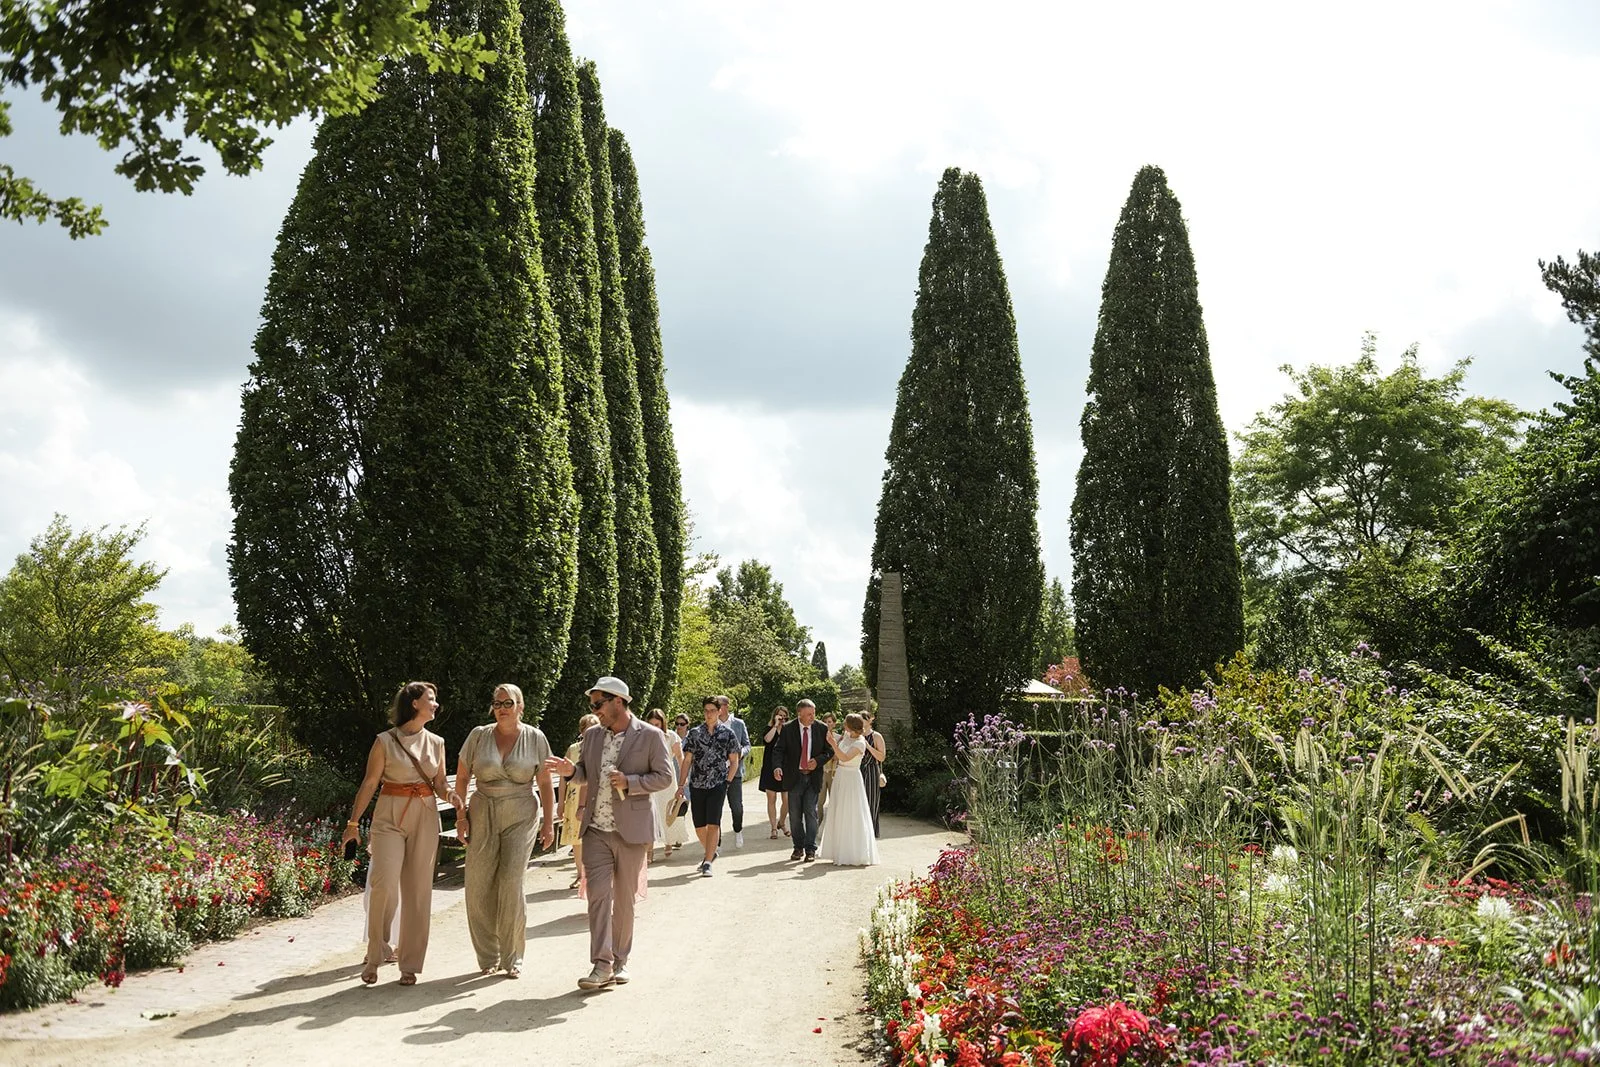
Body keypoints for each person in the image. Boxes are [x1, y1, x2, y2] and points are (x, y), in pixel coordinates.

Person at [543, 677, 673, 991]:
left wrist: (631, 782)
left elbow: (665, 777)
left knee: (624, 900)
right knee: (598, 895)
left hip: (632, 830)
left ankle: (620, 961)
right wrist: (571, 772)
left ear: (618, 701)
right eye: (592, 706)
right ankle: (601, 966)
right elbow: (586, 773)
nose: (595, 711)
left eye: (598, 704)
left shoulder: (651, 736)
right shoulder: (592, 736)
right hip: (596, 830)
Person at [342, 681, 460, 985]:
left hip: (424, 814)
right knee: (383, 883)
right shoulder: (385, 741)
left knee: (419, 889)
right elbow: (370, 783)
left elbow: (440, 785)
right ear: (414, 704)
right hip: (390, 814)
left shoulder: (437, 742)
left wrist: (453, 797)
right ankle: (375, 954)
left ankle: (410, 963)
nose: (436, 704)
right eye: (431, 699)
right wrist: (352, 825)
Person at [454, 684, 555, 978]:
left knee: (511, 882)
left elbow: (546, 784)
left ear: (520, 706)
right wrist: (461, 817)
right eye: (497, 703)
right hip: (482, 811)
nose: (501, 708)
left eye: (508, 703)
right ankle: (488, 956)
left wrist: (549, 822)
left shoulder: (535, 737)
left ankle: (513, 957)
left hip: (521, 813)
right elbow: (461, 777)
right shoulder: (478, 735)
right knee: (478, 884)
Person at [680, 696, 739, 877]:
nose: (709, 714)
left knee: (713, 823)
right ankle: (711, 852)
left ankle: (707, 862)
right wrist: (681, 784)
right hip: (697, 784)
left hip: (718, 784)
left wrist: (727, 782)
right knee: (699, 826)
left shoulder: (728, 734)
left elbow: (734, 761)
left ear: (719, 711)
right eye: (706, 710)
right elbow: (687, 760)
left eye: (712, 710)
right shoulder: (695, 733)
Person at [772, 698, 831, 861]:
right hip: (794, 777)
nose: (813, 717)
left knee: (811, 813)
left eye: (813, 713)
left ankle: (810, 849)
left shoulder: (821, 728)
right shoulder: (788, 729)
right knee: (795, 815)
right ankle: (798, 847)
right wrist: (777, 767)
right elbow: (778, 751)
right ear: (800, 714)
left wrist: (817, 761)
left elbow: (829, 752)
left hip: (813, 778)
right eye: (809, 714)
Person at [819, 713, 881, 866]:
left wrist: (833, 744)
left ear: (851, 726)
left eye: (846, 723)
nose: (843, 725)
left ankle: (852, 852)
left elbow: (845, 757)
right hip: (840, 775)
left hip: (852, 778)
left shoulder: (860, 743)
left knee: (851, 813)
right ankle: (837, 850)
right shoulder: (846, 736)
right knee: (839, 811)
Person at [558, 712, 600, 889]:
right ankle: (580, 874)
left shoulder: (603, 748)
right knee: (576, 837)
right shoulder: (573, 749)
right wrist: (561, 802)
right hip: (575, 797)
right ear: (582, 731)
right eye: (587, 729)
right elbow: (563, 777)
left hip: (595, 796)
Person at [643, 709, 691, 858]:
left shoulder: (671, 736)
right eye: (651, 724)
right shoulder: (644, 737)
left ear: (662, 723)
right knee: (650, 813)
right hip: (650, 776)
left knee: (668, 810)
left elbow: (680, 757)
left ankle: (669, 842)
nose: (654, 727)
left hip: (667, 778)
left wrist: (683, 779)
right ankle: (649, 850)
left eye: (657, 724)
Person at [715, 695, 751, 847]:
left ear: (726, 706)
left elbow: (747, 744)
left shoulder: (739, 724)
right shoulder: (711, 724)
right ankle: (717, 840)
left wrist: (740, 753)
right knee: (715, 808)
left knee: (736, 807)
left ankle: (738, 830)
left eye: (719, 705)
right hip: (716, 773)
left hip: (735, 772)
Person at [758, 706, 790, 839]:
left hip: (785, 767)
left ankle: (782, 822)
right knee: (771, 798)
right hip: (769, 767)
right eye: (779, 715)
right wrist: (775, 726)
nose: (782, 718)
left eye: (784, 716)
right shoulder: (769, 728)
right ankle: (773, 828)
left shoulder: (789, 730)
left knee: (787, 799)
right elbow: (767, 740)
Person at [861, 711, 887, 838]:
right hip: (857, 770)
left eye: (864, 719)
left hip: (871, 770)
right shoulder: (856, 735)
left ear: (870, 720)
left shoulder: (876, 736)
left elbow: (882, 757)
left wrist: (868, 747)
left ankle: (870, 832)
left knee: (871, 801)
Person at [817, 712, 839, 824]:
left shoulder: (839, 738)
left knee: (834, 801)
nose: (827, 724)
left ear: (834, 724)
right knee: (819, 801)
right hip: (821, 772)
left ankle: (833, 826)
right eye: (825, 722)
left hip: (834, 773)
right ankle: (816, 825)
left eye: (829, 722)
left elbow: (839, 756)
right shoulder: (818, 737)